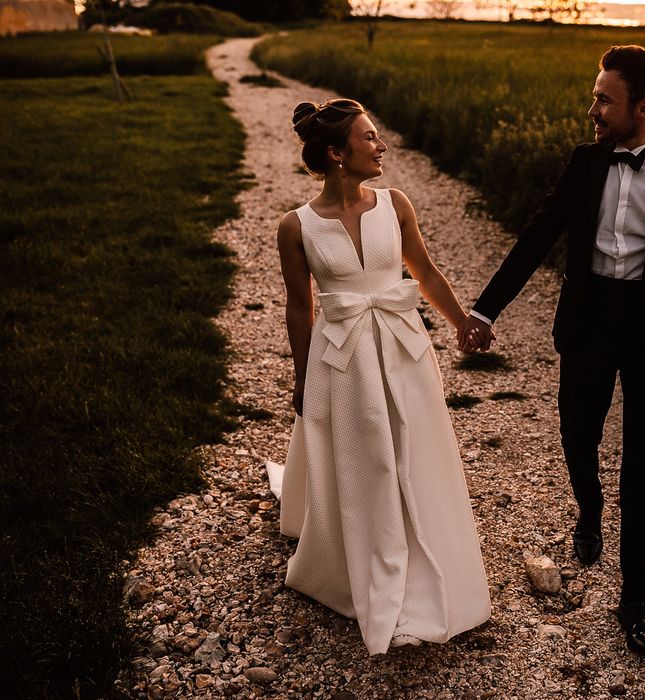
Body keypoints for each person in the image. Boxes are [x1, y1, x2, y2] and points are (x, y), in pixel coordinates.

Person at [458, 45, 645, 655]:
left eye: (605, 99)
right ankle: (589, 510)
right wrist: (483, 308)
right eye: (595, 96)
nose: (593, 109)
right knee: (578, 435)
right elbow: (537, 236)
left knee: (643, 466)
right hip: (587, 322)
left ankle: (636, 603)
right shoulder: (584, 163)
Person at [268, 98, 491, 656]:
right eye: (370, 138)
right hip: (342, 358)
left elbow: (425, 269)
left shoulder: (397, 204)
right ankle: (365, 559)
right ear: (338, 154)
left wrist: (462, 321)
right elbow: (301, 308)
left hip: (403, 347)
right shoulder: (295, 227)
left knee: (414, 449)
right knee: (367, 457)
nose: (381, 145)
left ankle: (429, 549)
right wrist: (302, 377)